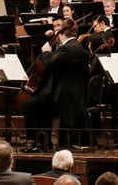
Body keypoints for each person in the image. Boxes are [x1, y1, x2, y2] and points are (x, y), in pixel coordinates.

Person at [23, 20, 89, 152]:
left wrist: (47, 52)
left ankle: (37, 143)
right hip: (73, 94)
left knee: (30, 104)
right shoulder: (78, 47)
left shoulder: (68, 48)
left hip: (65, 96)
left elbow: (50, 64)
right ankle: (43, 142)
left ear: (61, 33)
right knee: (40, 100)